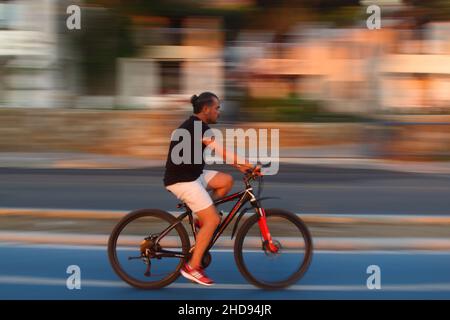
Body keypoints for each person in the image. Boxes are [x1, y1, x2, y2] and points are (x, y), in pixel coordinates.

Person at [163, 92, 260, 286]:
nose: (219, 112)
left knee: (225, 181)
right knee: (214, 220)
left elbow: (222, 155)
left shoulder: (196, 125)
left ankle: (202, 221)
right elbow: (222, 152)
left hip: (193, 176)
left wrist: (241, 167)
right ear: (206, 109)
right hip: (182, 181)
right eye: (217, 108)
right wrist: (248, 164)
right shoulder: (198, 127)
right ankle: (193, 267)